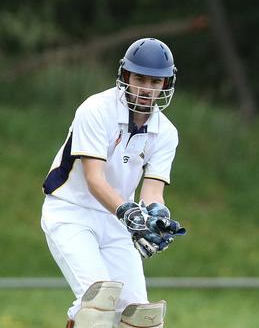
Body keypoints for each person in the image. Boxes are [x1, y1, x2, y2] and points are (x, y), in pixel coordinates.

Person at [41, 38, 186, 328]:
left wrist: (155, 218)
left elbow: (153, 191)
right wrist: (131, 214)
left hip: (117, 222)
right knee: (98, 307)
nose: (147, 88)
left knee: (142, 319)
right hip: (71, 213)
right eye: (140, 78)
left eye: (155, 81)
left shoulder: (166, 132)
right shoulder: (96, 109)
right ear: (125, 77)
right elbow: (95, 179)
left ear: (165, 84)